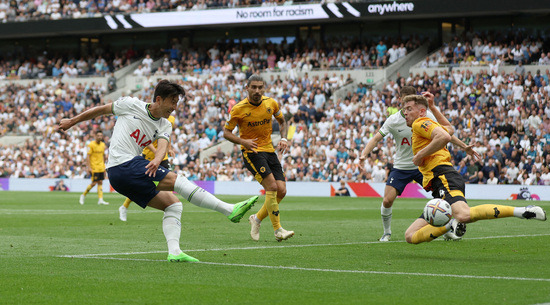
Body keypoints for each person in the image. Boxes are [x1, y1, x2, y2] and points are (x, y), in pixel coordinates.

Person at [59, 80, 258, 262]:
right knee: (176, 180)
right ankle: (229, 210)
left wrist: (156, 157)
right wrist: (72, 121)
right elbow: (100, 110)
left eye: (177, 102)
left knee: (173, 205)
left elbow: (163, 144)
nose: (174, 107)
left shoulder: (164, 124)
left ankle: (174, 252)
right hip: (121, 165)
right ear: (159, 99)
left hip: (126, 173)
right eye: (172, 101)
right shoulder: (130, 104)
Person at [401, 93, 546, 244]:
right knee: (410, 236)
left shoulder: (420, 123)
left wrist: (419, 156)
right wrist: (433, 107)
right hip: (439, 182)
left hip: (443, 176)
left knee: (463, 215)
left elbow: (444, 137)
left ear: (421, 112)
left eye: (409, 109)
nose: (405, 112)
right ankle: (451, 226)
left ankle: (523, 211)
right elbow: (449, 129)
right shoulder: (426, 124)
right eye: (404, 109)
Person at [359, 86, 479, 242]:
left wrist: (464, 147)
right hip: (402, 166)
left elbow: (443, 133)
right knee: (387, 200)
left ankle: (449, 227)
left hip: (423, 165)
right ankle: (387, 233)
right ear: (400, 100)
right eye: (405, 101)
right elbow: (376, 138)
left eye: (412, 100)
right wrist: (363, 154)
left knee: (443, 198)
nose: (409, 105)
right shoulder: (393, 120)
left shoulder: (425, 115)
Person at [223, 74, 294, 242]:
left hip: (269, 150)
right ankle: (278, 230)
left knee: (282, 190)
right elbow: (226, 132)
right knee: (271, 186)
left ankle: (257, 219)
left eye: (260, 87)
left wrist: (284, 138)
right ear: (246, 88)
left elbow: (283, 121)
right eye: (253, 87)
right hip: (252, 152)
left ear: (264, 88)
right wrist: (242, 141)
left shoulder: (271, 103)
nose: (257, 90)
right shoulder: (238, 109)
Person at [118, 115, 176, 222]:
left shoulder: (171, 118)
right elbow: (145, 138)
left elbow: (168, 134)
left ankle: (170, 210)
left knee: (170, 182)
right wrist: (156, 152)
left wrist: (169, 148)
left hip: (162, 156)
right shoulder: (151, 117)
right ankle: (124, 206)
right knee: (141, 186)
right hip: (149, 155)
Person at [79, 131, 110, 205]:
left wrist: (104, 166)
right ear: (95, 136)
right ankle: (83, 195)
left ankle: (100, 199)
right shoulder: (91, 145)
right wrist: (89, 167)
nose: (100, 137)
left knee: (100, 182)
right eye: (98, 135)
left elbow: (103, 156)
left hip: (101, 167)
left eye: (101, 135)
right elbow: (88, 157)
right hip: (94, 167)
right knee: (94, 183)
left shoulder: (103, 145)